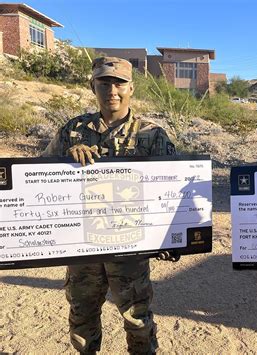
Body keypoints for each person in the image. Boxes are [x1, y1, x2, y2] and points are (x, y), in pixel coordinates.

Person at [43, 57, 176, 355]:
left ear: (131, 88)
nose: (111, 90)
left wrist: (172, 238)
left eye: (119, 83)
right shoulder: (73, 130)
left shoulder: (151, 134)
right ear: (93, 86)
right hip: (83, 246)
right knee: (82, 315)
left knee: (138, 319)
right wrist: (67, 157)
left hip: (129, 246)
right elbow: (41, 176)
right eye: (104, 83)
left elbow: (171, 188)